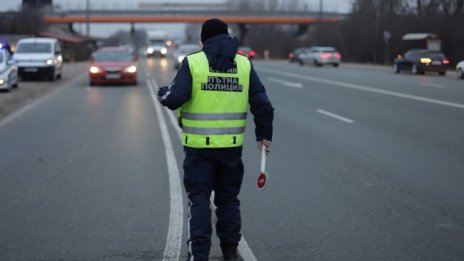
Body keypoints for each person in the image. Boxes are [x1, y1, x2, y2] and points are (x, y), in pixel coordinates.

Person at [157, 18, 274, 261]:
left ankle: (198, 255)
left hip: (199, 150)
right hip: (231, 150)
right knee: (228, 201)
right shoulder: (243, 64)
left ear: (203, 39)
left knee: (199, 202)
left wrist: (163, 93)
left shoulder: (194, 62)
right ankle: (230, 252)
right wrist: (264, 135)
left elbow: (174, 98)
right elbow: (263, 104)